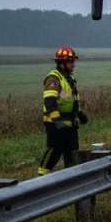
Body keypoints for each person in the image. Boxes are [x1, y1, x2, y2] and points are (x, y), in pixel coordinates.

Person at [38, 46, 88, 175]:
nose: (74, 65)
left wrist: (80, 113)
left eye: (73, 62)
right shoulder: (53, 79)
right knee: (55, 149)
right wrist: (57, 121)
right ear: (62, 63)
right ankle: (41, 176)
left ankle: (70, 177)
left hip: (70, 123)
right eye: (71, 62)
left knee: (72, 152)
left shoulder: (70, 79)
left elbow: (72, 100)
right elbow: (49, 102)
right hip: (55, 123)